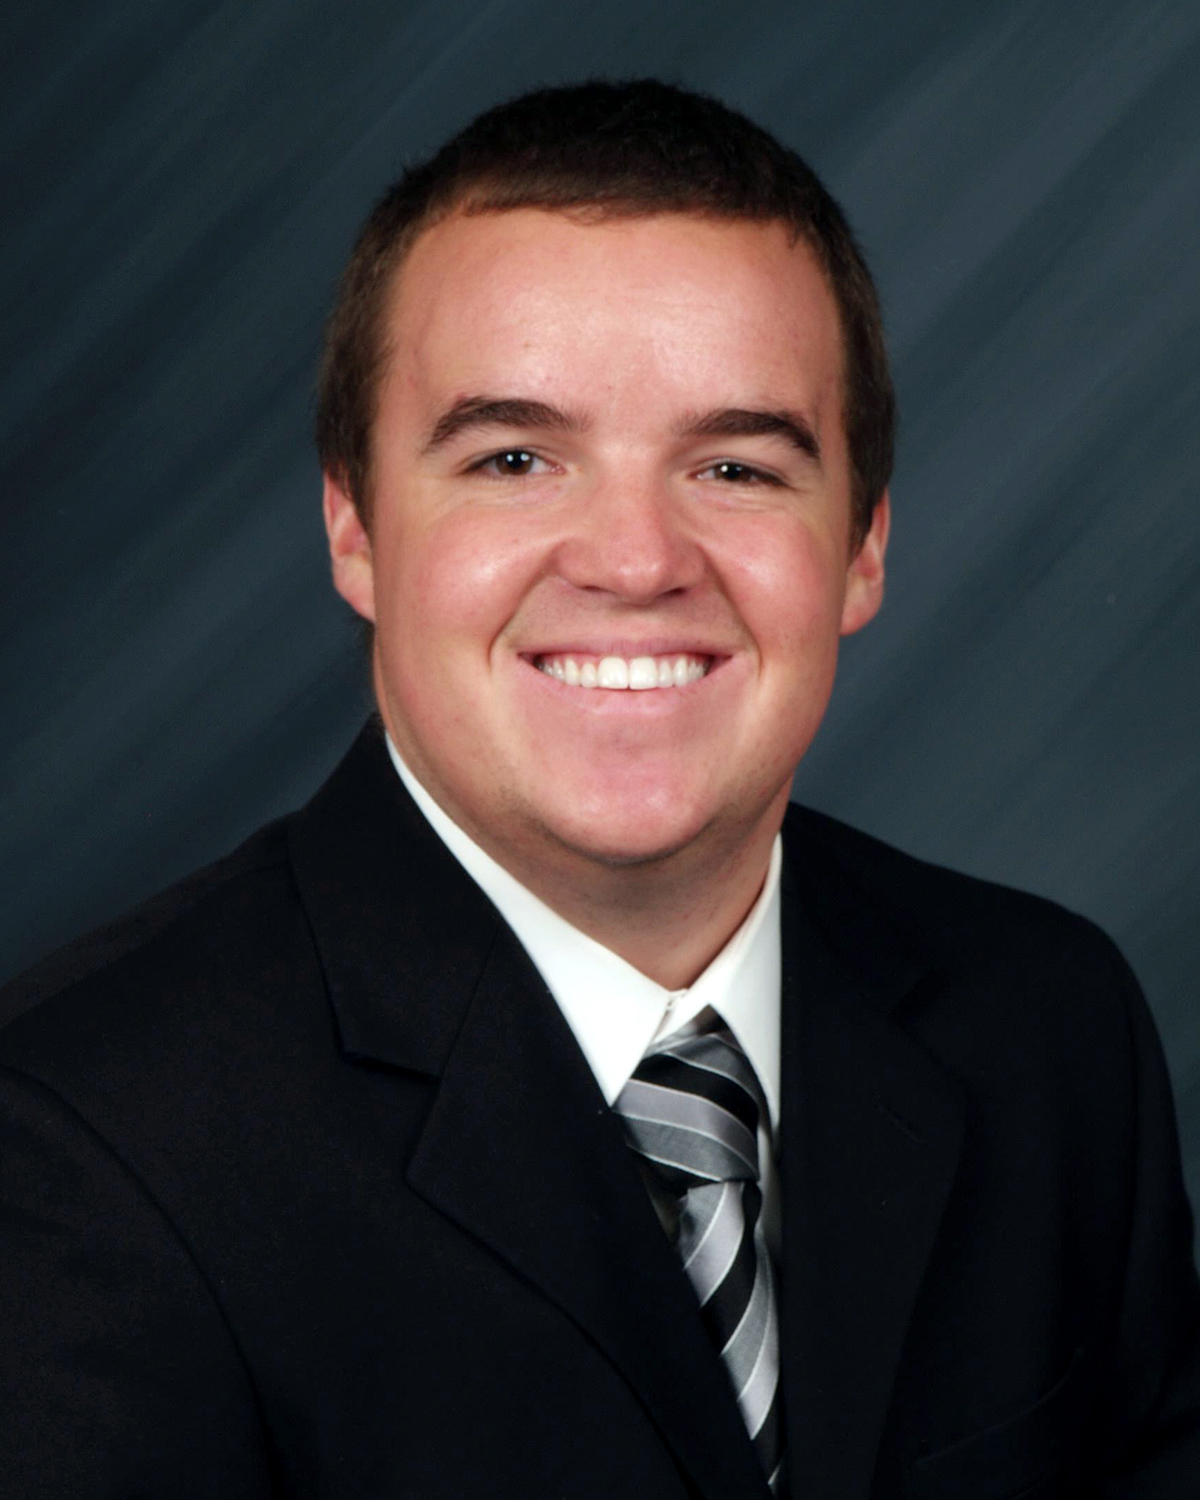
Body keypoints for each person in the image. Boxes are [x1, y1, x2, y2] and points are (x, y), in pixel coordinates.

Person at [1, 78, 1197, 1500]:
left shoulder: (1050, 1031)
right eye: (516, 458)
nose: (636, 561)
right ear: (355, 528)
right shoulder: (79, 1148)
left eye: (735, 466)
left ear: (863, 545)